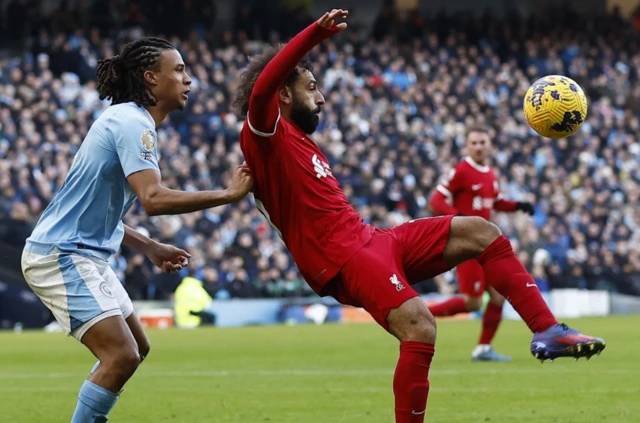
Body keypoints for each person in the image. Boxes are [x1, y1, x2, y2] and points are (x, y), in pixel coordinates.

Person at [235, 10, 605, 422]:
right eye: (312, 87)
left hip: (370, 240)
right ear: (283, 95)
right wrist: (314, 36)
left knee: (481, 232)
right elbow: (263, 87)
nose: (321, 98)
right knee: (420, 325)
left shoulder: (302, 142)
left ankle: (547, 329)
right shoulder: (264, 135)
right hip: (342, 256)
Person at [21, 37, 253, 423]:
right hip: (61, 255)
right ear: (150, 78)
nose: (189, 80)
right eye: (178, 70)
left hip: (83, 253)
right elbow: (153, 199)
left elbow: (103, 210)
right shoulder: (133, 123)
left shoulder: (128, 120)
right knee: (121, 355)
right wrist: (227, 196)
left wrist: (149, 247)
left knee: (137, 349)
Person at [427, 125, 535, 362]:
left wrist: (518, 206)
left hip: (484, 244)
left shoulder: (489, 173)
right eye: (473, 143)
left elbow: (495, 202)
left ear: (490, 145)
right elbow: (436, 200)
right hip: (466, 245)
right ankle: (419, 314)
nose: (478, 147)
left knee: (497, 296)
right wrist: (461, 219)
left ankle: (483, 348)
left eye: (482, 142)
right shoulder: (461, 171)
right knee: (473, 302)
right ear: (467, 145)